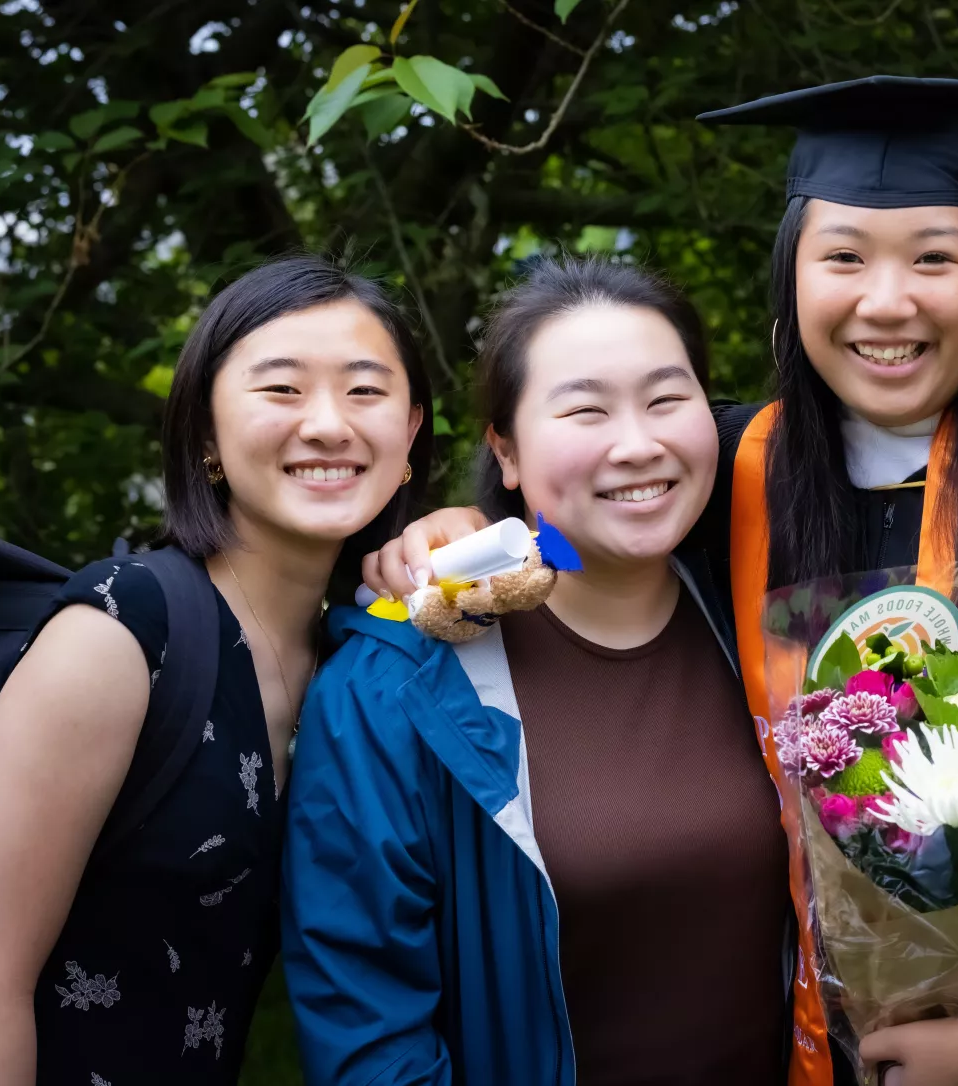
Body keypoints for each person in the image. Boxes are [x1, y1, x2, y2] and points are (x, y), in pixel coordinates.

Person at [366, 77, 958, 1086]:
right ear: (793, 275)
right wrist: (471, 533)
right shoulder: (741, 472)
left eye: (933, 258)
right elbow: (589, 550)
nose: (887, 301)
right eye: (843, 257)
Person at [281, 258, 794, 1085]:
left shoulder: (770, 619)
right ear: (506, 451)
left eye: (668, 399)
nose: (638, 443)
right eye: (586, 409)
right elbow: (369, 1035)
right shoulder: (395, 687)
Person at [0, 256, 431, 1085]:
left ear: (409, 434)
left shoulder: (357, 655)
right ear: (204, 434)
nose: (330, 424)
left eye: (366, 391)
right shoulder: (120, 635)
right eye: (282, 389)